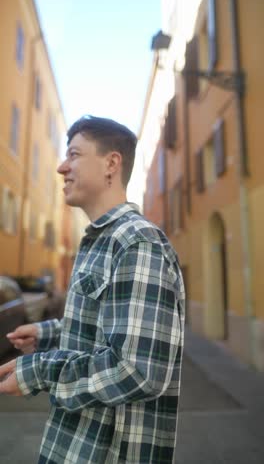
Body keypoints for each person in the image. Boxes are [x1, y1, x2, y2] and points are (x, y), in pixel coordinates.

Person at [0, 116, 185, 463]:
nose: (60, 167)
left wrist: (38, 371)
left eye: (74, 154)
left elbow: (138, 371)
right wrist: (49, 335)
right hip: (77, 444)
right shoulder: (103, 240)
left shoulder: (136, 243)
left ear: (111, 163)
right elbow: (109, 330)